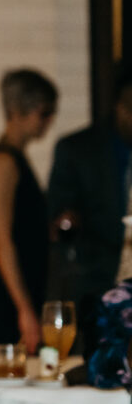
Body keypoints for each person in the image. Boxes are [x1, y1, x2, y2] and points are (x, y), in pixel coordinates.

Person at [0, 67, 56, 356]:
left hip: (18, 294)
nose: (49, 122)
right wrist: (25, 310)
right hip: (7, 300)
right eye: (46, 113)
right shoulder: (4, 162)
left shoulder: (14, 158)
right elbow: (0, 237)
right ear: (22, 110)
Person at [48, 62, 132, 326]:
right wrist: (67, 220)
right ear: (119, 106)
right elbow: (56, 215)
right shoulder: (78, 149)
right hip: (94, 282)